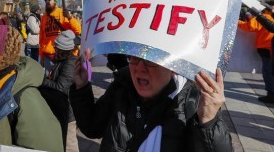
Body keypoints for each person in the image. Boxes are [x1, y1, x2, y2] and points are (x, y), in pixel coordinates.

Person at [70, 54, 232, 151]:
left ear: (173, 65)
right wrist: (82, 88)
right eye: (134, 57)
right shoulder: (121, 86)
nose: (139, 68)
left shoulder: (194, 103)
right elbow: (92, 128)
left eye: (151, 59)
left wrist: (208, 123)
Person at [42, 30, 78, 152]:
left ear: (64, 50)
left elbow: (61, 87)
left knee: (70, 145)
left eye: (57, 48)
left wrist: (41, 80)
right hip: (59, 109)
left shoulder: (70, 64)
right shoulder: (61, 61)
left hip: (67, 113)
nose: (55, 50)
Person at [238, 3, 274, 103]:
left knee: (268, 72)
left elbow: (249, 27)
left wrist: (236, 22)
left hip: (266, 47)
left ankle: (271, 94)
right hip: (269, 47)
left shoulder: (265, 17)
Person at [39, 0, 81, 74]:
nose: (47, 1)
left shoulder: (63, 13)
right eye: (45, 0)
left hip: (63, 56)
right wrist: (41, 56)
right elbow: (41, 37)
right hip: (48, 56)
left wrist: (69, 17)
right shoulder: (44, 17)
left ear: (55, 1)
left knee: (62, 82)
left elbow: (78, 30)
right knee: (49, 82)